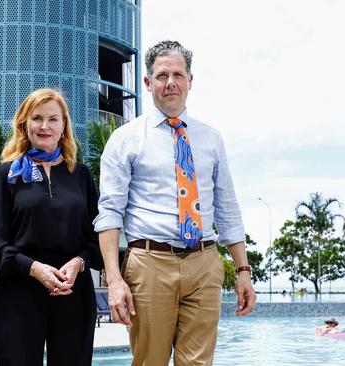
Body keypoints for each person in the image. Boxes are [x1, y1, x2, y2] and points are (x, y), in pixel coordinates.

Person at [94, 40, 257, 366]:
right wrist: (114, 279)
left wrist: (243, 269)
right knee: (149, 361)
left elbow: (226, 207)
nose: (171, 83)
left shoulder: (211, 138)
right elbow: (109, 213)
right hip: (149, 263)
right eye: (162, 75)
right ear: (148, 82)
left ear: (190, 81)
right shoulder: (125, 139)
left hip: (204, 262)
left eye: (178, 75)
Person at [0, 88, 103, 366]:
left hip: (73, 291)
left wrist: (78, 263)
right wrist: (34, 268)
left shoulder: (81, 175)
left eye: (53, 119)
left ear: (64, 126)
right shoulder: (7, 175)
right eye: (37, 118)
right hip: (18, 292)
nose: (45, 126)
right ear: (25, 124)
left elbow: (97, 239)